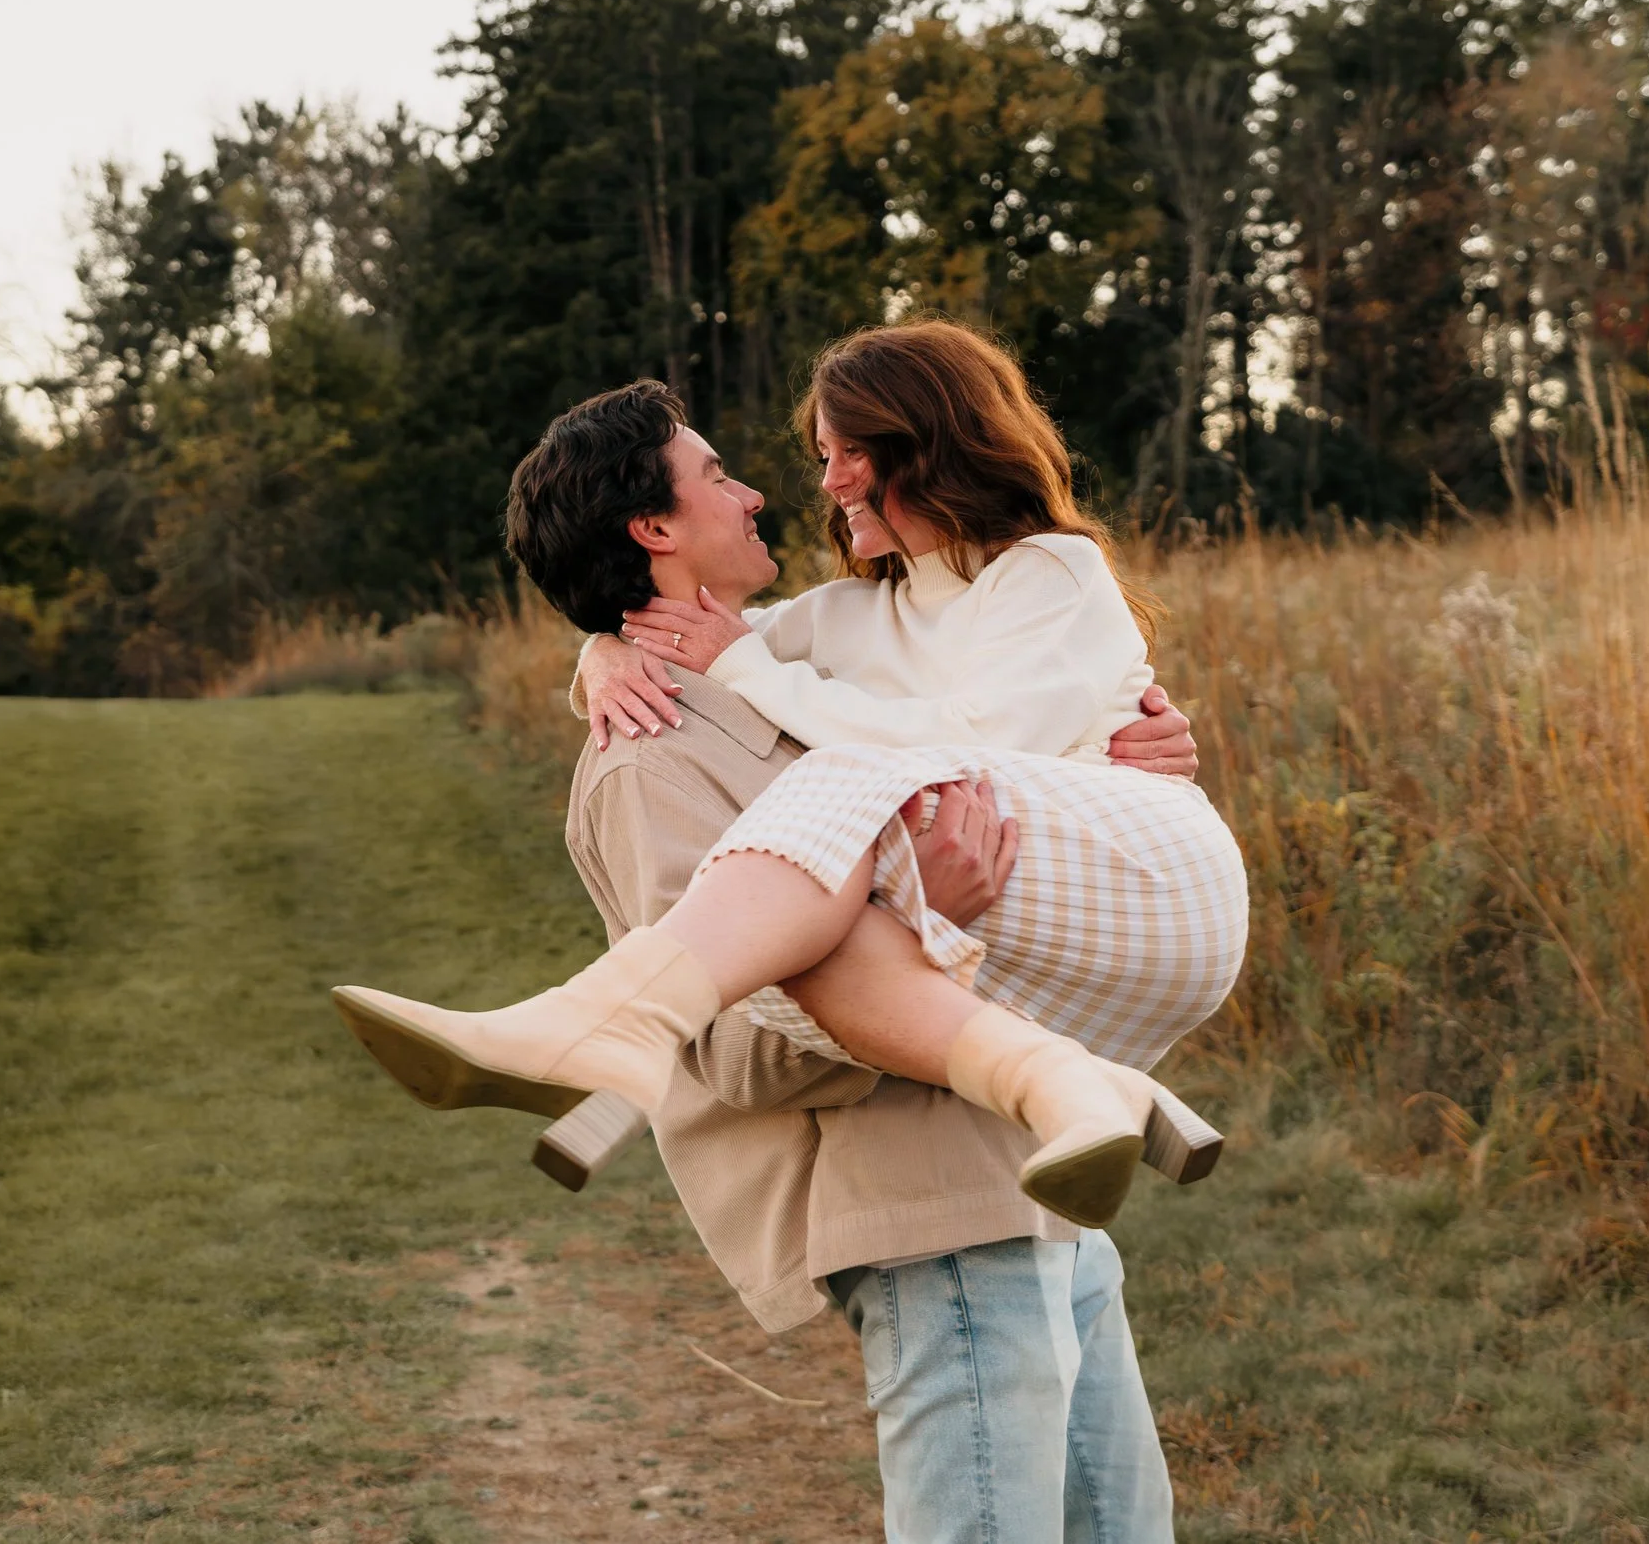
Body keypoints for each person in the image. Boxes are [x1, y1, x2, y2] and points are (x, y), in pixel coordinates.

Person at [335, 320, 1247, 1227]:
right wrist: (603, 652)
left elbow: (970, 738)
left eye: (854, 451)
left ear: (931, 446)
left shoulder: (1051, 568)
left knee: (839, 810)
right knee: (815, 940)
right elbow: (692, 634)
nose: (823, 481)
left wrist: (753, 674)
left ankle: (603, 1026)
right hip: (1039, 909)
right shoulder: (850, 613)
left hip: (1157, 873)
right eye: (823, 453)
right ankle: (1081, 1093)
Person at [503, 376, 1200, 1539]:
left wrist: (1120, 769)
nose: (758, 491)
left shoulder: (791, 680)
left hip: (1034, 1173)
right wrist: (935, 919)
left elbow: (985, 737)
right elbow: (725, 1046)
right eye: (719, 475)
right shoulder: (647, 762)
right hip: (925, 1209)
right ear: (655, 530)